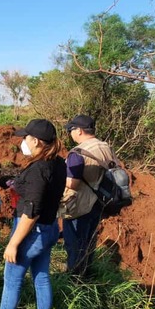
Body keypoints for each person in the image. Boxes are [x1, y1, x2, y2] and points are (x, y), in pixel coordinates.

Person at [0, 119, 66, 309]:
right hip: (50, 227)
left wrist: (13, 244)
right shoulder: (58, 162)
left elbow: (31, 212)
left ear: (36, 141)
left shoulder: (39, 169)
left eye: (26, 137)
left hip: (33, 231)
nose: (24, 141)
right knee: (42, 276)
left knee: (12, 280)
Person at [61, 114, 117, 276]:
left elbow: (73, 183)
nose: (70, 134)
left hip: (79, 205)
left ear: (78, 131)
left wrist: (59, 178)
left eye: (71, 130)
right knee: (89, 241)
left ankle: (74, 278)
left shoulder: (78, 153)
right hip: (99, 202)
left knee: (74, 243)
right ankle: (87, 272)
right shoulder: (105, 147)